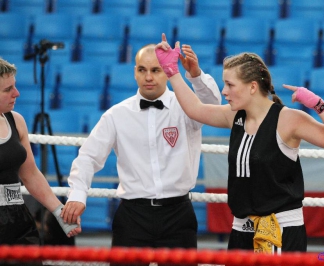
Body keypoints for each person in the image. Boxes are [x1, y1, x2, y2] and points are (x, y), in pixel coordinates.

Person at [155, 34, 324, 253]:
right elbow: (196, 110)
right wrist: (172, 71)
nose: (224, 91)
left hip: (281, 229)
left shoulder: (287, 119)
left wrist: (318, 104)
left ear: (252, 87)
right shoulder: (235, 116)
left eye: (229, 84)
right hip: (241, 227)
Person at [61, 44, 221, 259]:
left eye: (155, 70)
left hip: (178, 214)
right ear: (134, 72)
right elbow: (88, 157)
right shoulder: (116, 115)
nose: (148, 77)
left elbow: (214, 107)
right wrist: (77, 195)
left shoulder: (187, 108)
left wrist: (195, 75)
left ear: (167, 71)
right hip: (132, 216)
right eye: (142, 70)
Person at [0, 58, 81, 263]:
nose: (16, 93)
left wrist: (59, 211)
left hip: (17, 217)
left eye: (15, 86)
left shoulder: (15, 120)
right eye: (7, 89)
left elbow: (30, 173)